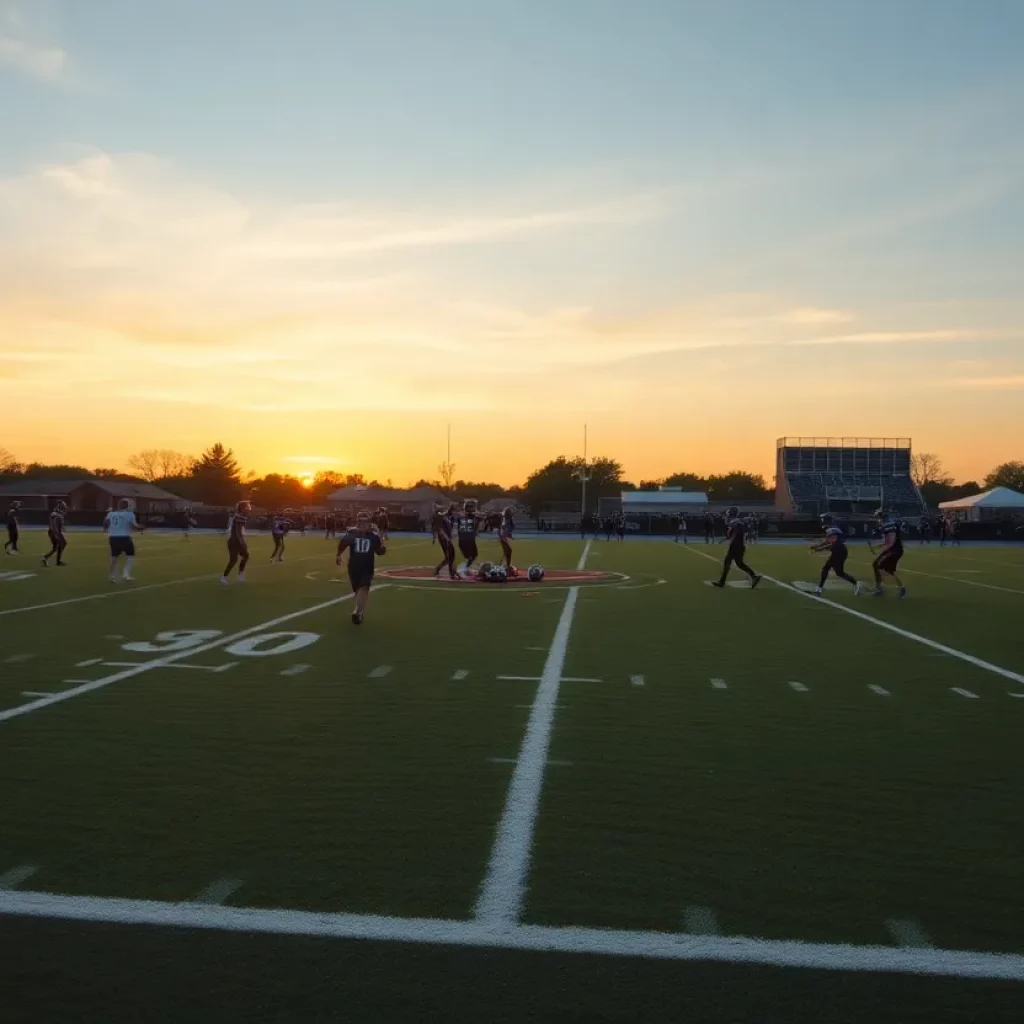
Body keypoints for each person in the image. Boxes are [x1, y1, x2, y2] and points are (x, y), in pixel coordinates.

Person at [336, 510, 387, 624]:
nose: (363, 525)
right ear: (358, 522)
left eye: (365, 522)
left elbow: (380, 552)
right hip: (354, 567)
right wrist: (338, 555)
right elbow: (343, 543)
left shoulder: (373, 536)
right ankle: (359, 611)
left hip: (367, 566)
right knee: (358, 590)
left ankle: (357, 612)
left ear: (369, 523)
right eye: (361, 522)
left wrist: (382, 544)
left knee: (364, 588)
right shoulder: (353, 533)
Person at [711, 506, 762, 589]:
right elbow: (735, 532)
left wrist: (731, 540)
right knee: (739, 563)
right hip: (740, 545)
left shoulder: (735, 521)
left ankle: (721, 582)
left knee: (727, 561)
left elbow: (736, 531)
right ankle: (754, 576)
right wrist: (726, 539)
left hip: (736, 545)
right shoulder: (738, 521)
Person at [810, 526, 860, 596]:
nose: (828, 537)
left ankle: (855, 583)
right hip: (838, 554)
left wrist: (818, 549)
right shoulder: (836, 540)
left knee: (836, 572)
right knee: (831, 570)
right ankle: (819, 589)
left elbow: (829, 546)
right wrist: (818, 546)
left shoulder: (838, 544)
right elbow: (826, 542)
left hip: (839, 554)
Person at [870, 509, 907, 598]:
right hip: (892, 549)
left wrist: (879, 553)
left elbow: (891, 543)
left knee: (885, 569)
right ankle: (879, 587)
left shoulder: (888, 525)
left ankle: (901, 588)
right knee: (876, 565)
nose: (877, 520)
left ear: (881, 517)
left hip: (895, 550)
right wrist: (877, 546)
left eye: (877, 517)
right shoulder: (887, 524)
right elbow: (887, 542)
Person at [104, 498, 142, 582]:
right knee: (131, 556)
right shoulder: (129, 514)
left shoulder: (111, 513)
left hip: (113, 537)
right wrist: (142, 527)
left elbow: (105, 522)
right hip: (125, 537)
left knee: (114, 557)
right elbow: (135, 526)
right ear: (127, 506)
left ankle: (111, 576)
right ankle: (126, 574)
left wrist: (107, 530)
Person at [221, 500, 251, 585]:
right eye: (247, 507)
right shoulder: (239, 517)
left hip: (238, 539)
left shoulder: (241, 516)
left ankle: (240, 573)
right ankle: (224, 577)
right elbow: (237, 532)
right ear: (242, 508)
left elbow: (240, 531)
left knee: (246, 556)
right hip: (234, 541)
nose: (248, 509)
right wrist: (242, 542)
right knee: (233, 560)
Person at [456, 499, 484, 575]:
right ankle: (464, 568)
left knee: (471, 556)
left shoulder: (460, 516)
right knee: (472, 556)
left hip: (462, 540)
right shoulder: (474, 516)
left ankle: (465, 567)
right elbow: (481, 516)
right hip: (468, 539)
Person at [431, 502, 459, 579]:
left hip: (447, 538)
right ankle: (451, 573)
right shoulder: (438, 516)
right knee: (450, 555)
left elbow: (447, 514)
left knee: (449, 557)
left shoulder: (449, 516)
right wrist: (447, 538)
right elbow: (440, 529)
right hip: (444, 538)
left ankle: (438, 569)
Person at [41, 501, 69, 567]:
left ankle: (48, 558)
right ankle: (51, 559)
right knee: (60, 545)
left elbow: (59, 522)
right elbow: (54, 524)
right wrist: (56, 533)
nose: (64, 508)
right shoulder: (55, 514)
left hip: (56, 531)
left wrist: (62, 529)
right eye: (63, 506)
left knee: (60, 545)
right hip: (55, 531)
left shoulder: (58, 513)